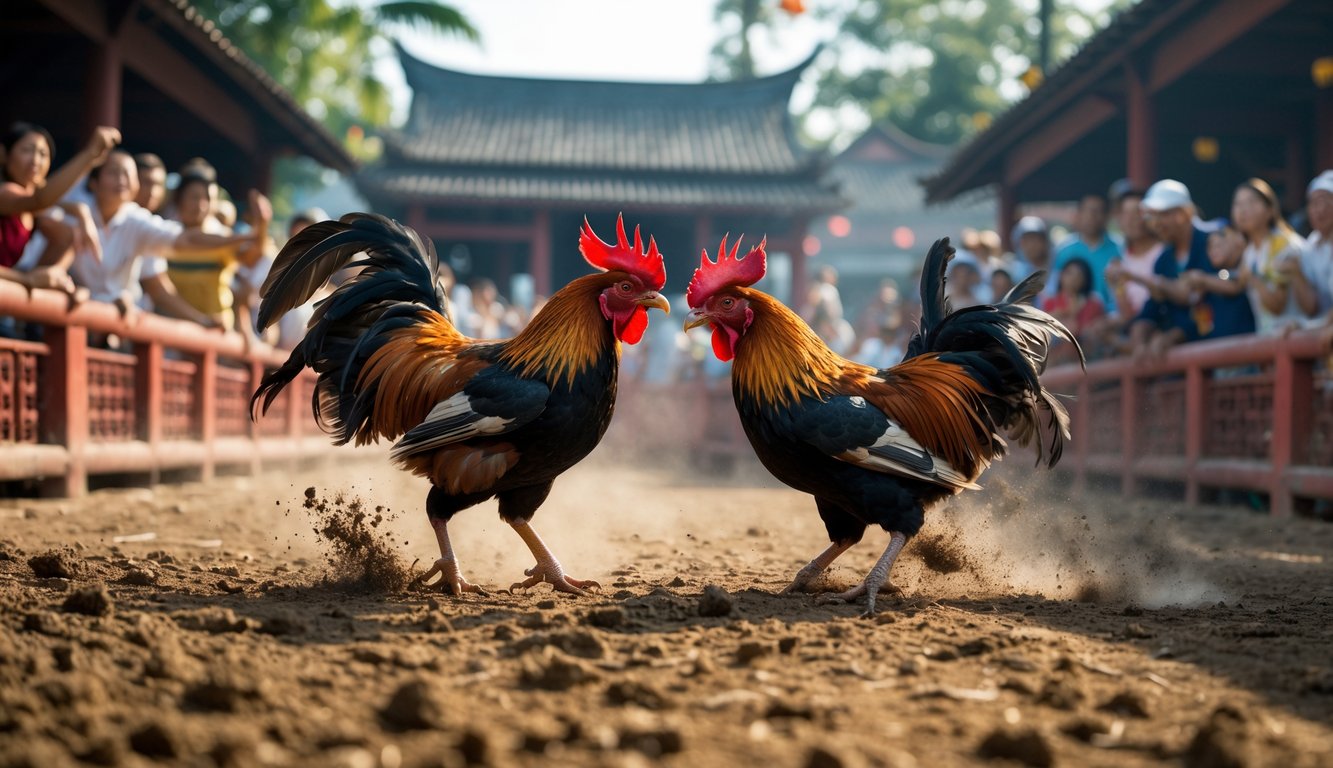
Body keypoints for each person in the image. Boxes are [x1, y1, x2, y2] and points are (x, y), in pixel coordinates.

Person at [69, 150, 262, 330]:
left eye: (127, 174)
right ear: (93, 182)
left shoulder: (140, 223)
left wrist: (202, 321)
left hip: (119, 326)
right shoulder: (72, 209)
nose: (122, 181)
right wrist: (78, 211)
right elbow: (44, 201)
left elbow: (162, 282)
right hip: (71, 318)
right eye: (113, 173)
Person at [0, 123, 119, 288]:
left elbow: (47, 207)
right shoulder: (4, 192)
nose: (35, 160)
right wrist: (89, 154)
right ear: (3, 154)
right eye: (27, 150)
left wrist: (79, 211)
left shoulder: (32, 211)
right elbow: (39, 200)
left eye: (43, 154)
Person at [1126, 180, 1228, 359]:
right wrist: (1140, 332)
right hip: (1188, 360)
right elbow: (1154, 307)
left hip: (1225, 346)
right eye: (1152, 216)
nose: (1156, 223)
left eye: (1163, 214)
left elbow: (1198, 298)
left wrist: (1174, 335)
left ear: (1185, 213)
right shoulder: (1163, 261)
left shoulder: (1215, 240)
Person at [164, 162, 271, 332]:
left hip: (215, 330)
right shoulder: (164, 234)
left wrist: (262, 226)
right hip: (172, 331)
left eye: (206, 198)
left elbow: (252, 258)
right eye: (193, 197)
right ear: (179, 199)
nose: (200, 205)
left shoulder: (224, 238)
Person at [1227, 178, 1307, 335]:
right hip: (1269, 341)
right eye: (1238, 204)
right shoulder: (1249, 251)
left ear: (1270, 209)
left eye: (1251, 202)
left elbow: (1277, 306)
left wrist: (1252, 279)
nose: (1243, 210)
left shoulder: (1284, 244)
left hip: (1295, 338)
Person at [1054, 193, 1121, 307]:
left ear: (1106, 216)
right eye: (1088, 211)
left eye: (1098, 211)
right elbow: (1055, 289)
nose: (1092, 216)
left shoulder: (1119, 248)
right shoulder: (1064, 250)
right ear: (1078, 214)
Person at [1042, 258, 1105, 364]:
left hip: (1087, 356)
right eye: (1069, 273)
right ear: (1061, 275)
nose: (1073, 279)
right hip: (1056, 357)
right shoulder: (1050, 302)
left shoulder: (1094, 303)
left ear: (1085, 280)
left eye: (1079, 276)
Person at [1302, 171, 1333, 320]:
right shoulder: (1310, 245)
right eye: (1313, 203)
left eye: (1325, 201)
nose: (1319, 209)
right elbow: (1313, 308)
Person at [1009, 216, 1056, 302]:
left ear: (1045, 241)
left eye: (1035, 239)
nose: (1031, 246)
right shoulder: (1016, 272)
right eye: (1025, 241)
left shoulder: (1058, 268)